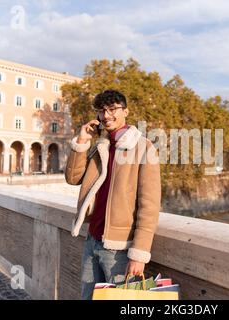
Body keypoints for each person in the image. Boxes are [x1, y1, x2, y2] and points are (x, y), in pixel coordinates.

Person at [64, 90, 161, 300]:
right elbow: (73, 178)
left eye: (112, 109)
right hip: (92, 241)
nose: (106, 115)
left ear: (125, 111)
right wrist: (82, 142)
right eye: (101, 111)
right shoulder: (100, 146)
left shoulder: (144, 147)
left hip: (120, 250)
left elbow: (150, 206)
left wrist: (139, 255)